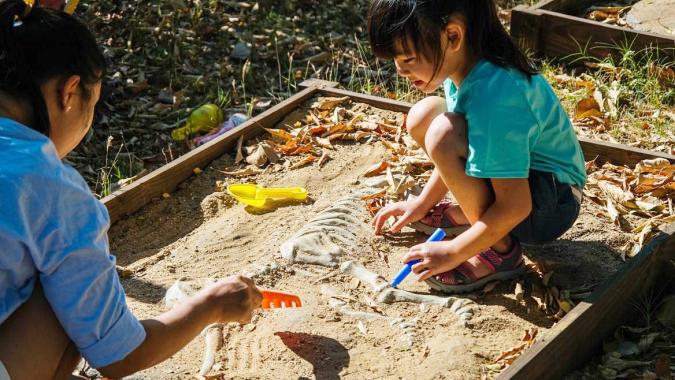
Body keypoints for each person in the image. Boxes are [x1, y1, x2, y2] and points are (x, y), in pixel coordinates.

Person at [0, 1, 262, 379]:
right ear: (70, 92)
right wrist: (210, 306)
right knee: (67, 303)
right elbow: (119, 356)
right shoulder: (49, 185)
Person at [369, 0, 586, 294]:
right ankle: (474, 215)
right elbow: (459, 153)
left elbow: (516, 205)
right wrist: (422, 203)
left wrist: (455, 251)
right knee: (425, 117)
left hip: (549, 204)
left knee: (443, 132)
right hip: (526, 181)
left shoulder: (496, 95)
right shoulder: (464, 64)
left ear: (453, 36)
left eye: (408, 58)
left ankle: (501, 252)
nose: (400, 70)